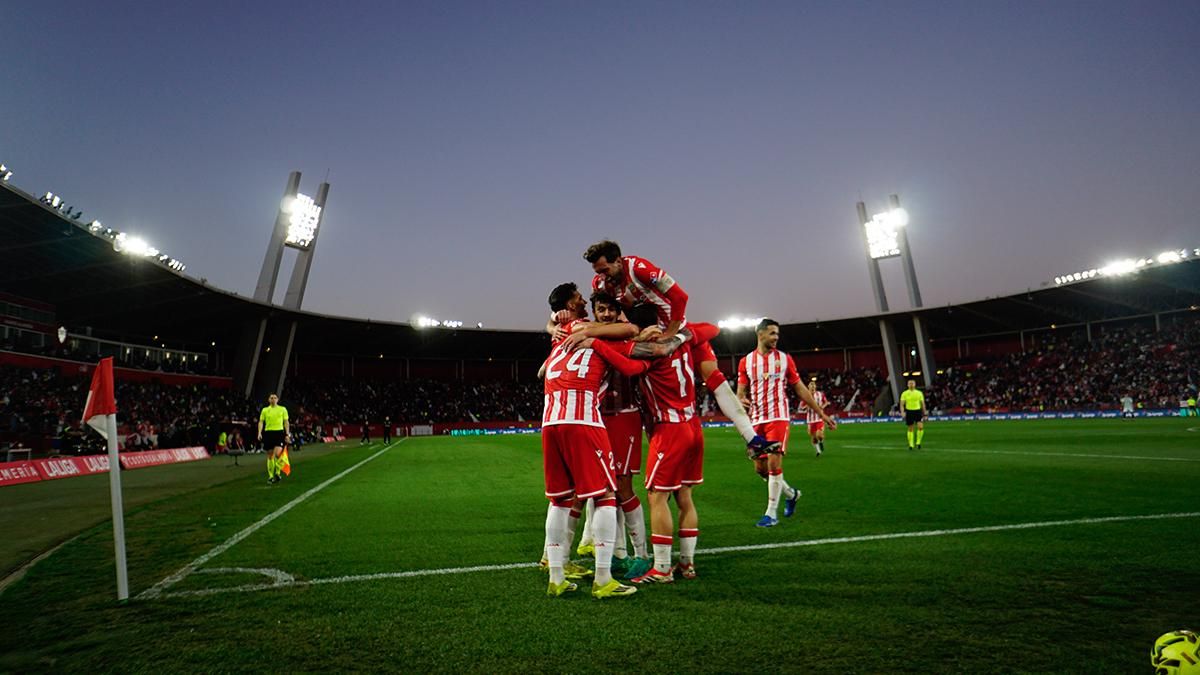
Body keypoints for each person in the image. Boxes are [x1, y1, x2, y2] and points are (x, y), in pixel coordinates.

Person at [581, 240, 780, 459]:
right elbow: (606, 314)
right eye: (598, 272)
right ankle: (659, 451)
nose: (603, 276)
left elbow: (680, 296)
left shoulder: (638, 268)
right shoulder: (600, 284)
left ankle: (752, 438)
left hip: (675, 335)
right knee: (649, 398)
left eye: (605, 270)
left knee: (714, 377)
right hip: (648, 342)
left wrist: (671, 334)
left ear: (618, 261)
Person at [587, 303, 703, 583]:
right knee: (684, 497)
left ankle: (661, 568)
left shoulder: (651, 350)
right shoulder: (682, 343)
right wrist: (682, 335)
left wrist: (595, 342)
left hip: (670, 429)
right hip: (694, 426)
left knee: (656, 496)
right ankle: (686, 564)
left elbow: (626, 366)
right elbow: (711, 329)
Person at [540, 282, 638, 599]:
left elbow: (542, 371)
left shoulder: (563, 330)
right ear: (573, 303)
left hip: (550, 419)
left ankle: (556, 576)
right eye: (581, 297)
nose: (586, 300)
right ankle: (604, 579)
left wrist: (553, 324)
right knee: (607, 496)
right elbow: (632, 329)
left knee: (560, 500)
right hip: (582, 418)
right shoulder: (597, 332)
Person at [736, 319, 836, 527]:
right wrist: (740, 399)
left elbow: (800, 389)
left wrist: (822, 414)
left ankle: (771, 513)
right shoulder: (746, 361)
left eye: (777, 334)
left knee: (774, 463)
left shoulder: (784, 359)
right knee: (760, 469)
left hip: (778, 417)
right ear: (760, 334)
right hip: (756, 419)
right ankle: (791, 494)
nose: (776, 338)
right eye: (772, 333)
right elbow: (741, 390)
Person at [258, 393, 290, 484]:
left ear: (277, 399)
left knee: (278, 454)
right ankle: (271, 476)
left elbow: (286, 422)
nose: (273, 399)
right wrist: (259, 433)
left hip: (279, 433)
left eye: (275, 398)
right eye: (271, 398)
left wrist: (287, 434)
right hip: (268, 433)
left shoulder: (282, 409)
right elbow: (261, 422)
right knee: (270, 455)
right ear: (269, 400)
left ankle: (278, 472)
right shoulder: (265, 410)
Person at [801, 376, 830, 457]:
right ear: (809, 388)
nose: (813, 388)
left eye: (814, 386)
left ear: (815, 387)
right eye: (811, 386)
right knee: (814, 438)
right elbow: (802, 408)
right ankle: (818, 451)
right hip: (810, 420)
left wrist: (822, 407)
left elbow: (826, 402)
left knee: (819, 435)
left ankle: (821, 442)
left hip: (819, 418)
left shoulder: (820, 394)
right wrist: (808, 406)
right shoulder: (806, 396)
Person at [899, 380, 927, 450]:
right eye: (909, 383)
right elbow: (902, 404)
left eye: (912, 383)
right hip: (909, 411)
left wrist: (924, 412)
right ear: (907, 385)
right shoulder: (904, 393)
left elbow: (922, 403)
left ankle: (918, 442)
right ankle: (911, 444)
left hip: (917, 410)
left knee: (920, 427)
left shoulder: (919, 393)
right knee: (910, 428)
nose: (911, 384)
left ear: (915, 384)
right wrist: (902, 412)